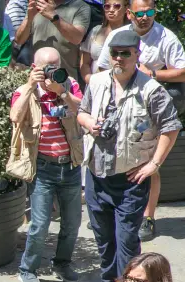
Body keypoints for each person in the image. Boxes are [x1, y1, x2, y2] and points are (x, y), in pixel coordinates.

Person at [76, 30, 180, 282]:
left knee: (126, 241)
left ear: (137, 55)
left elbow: (171, 128)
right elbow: (81, 112)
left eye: (125, 53)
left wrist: (153, 164)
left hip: (130, 179)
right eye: (114, 53)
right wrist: (89, 123)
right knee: (103, 238)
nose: (119, 58)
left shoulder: (151, 89)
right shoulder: (96, 82)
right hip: (97, 174)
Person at [94, 0, 185, 241]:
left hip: (151, 106)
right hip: (119, 101)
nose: (144, 17)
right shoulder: (118, 35)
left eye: (150, 12)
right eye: (139, 13)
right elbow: (101, 70)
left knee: (146, 160)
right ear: (129, 13)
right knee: (113, 155)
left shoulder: (166, 37)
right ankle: (110, 214)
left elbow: (183, 71)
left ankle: (148, 217)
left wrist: (152, 74)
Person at [9, 46, 84, 282]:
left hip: (70, 165)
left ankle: (62, 264)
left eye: (56, 65)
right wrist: (32, 87)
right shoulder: (25, 90)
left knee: (72, 223)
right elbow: (15, 117)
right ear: (35, 68)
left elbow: (82, 111)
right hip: (43, 167)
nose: (53, 71)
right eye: (47, 67)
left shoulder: (69, 84)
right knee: (40, 224)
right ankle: (27, 269)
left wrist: (62, 92)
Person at [13, 0, 89, 78]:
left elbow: (77, 38)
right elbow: (19, 40)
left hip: (65, 79)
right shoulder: (38, 4)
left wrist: (54, 16)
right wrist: (29, 19)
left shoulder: (80, 6)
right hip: (37, 77)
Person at [79, 0, 128, 83]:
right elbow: (84, 63)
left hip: (119, 84)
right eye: (107, 6)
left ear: (126, 8)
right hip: (93, 84)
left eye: (116, 6)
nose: (111, 10)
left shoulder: (130, 32)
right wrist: (89, 80)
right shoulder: (95, 30)